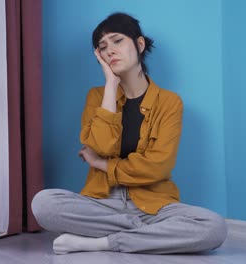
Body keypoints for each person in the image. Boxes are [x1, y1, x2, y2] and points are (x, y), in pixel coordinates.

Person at [32, 12, 227, 255]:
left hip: (154, 205)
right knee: (43, 204)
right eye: (102, 47)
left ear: (140, 44)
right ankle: (146, 235)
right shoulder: (97, 97)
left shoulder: (169, 102)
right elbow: (101, 145)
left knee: (214, 227)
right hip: (101, 203)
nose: (110, 50)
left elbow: (158, 167)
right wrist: (111, 86)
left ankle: (101, 242)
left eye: (117, 40)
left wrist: (102, 165)